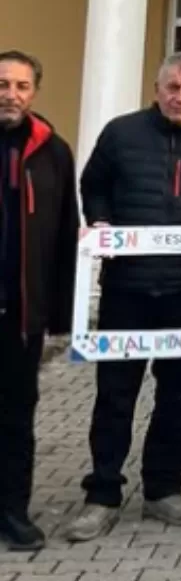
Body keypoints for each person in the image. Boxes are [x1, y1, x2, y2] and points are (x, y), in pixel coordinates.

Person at [66, 53, 181, 542]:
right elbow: (93, 184)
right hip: (128, 287)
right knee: (116, 395)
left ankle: (164, 488)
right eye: (173, 87)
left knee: (178, 396)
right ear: (157, 87)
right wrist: (100, 221)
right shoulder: (121, 133)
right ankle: (102, 493)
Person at [0, 51, 79, 551]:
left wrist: (63, 313)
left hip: (21, 313)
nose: (10, 94)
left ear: (34, 92)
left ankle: (13, 511)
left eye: (21, 86)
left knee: (16, 416)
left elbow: (66, 230)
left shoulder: (53, 150)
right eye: (3, 84)